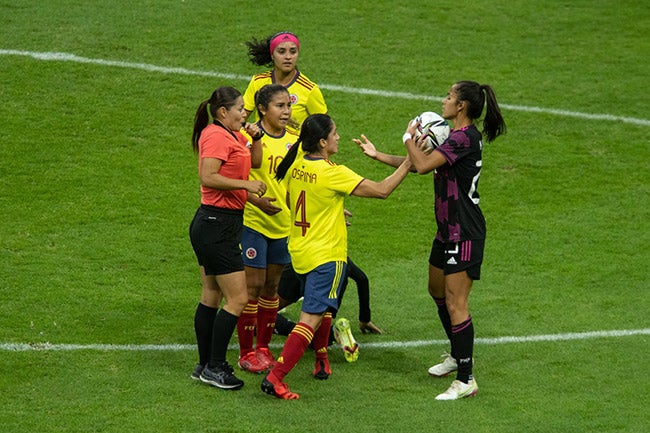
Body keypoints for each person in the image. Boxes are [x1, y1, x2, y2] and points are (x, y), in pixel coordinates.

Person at [354, 80, 506, 400]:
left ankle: (466, 379)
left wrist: (410, 136)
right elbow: (419, 165)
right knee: (436, 290)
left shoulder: (465, 138)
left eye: (449, 97)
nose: (444, 100)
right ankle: (456, 354)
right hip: (447, 231)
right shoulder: (454, 138)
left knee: (456, 303)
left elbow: (421, 165)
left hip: (464, 233)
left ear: (461, 106)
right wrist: (378, 154)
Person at [261, 113, 412, 400]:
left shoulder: (295, 164)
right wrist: (408, 162)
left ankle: (321, 359)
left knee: (325, 307)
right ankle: (276, 378)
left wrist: (330, 211)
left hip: (301, 250)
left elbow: (297, 201)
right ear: (322, 142)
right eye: (335, 133)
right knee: (310, 318)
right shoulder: (333, 173)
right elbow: (382, 191)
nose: (339, 137)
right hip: (326, 256)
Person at [188, 86, 267, 390]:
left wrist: (256, 137)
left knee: (211, 296)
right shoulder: (216, 135)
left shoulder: (233, 135)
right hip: (217, 226)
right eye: (240, 108)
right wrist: (246, 186)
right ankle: (216, 367)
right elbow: (208, 176)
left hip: (216, 225)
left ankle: (204, 364)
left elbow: (256, 161)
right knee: (239, 299)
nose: (245, 113)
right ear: (223, 111)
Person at [237, 84, 299, 373]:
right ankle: (246, 351)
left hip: (282, 224)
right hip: (253, 222)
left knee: (272, 288)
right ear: (262, 109)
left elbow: (299, 183)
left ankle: (263, 347)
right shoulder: (247, 137)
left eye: (288, 105)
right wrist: (257, 202)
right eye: (279, 106)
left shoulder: (296, 140)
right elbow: (233, 180)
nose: (286, 111)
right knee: (252, 288)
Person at [243, 31, 327, 134]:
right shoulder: (258, 82)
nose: (288, 57)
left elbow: (325, 129)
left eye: (293, 52)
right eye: (281, 52)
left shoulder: (309, 90)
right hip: (262, 146)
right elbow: (240, 118)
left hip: (293, 149)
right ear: (272, 55)